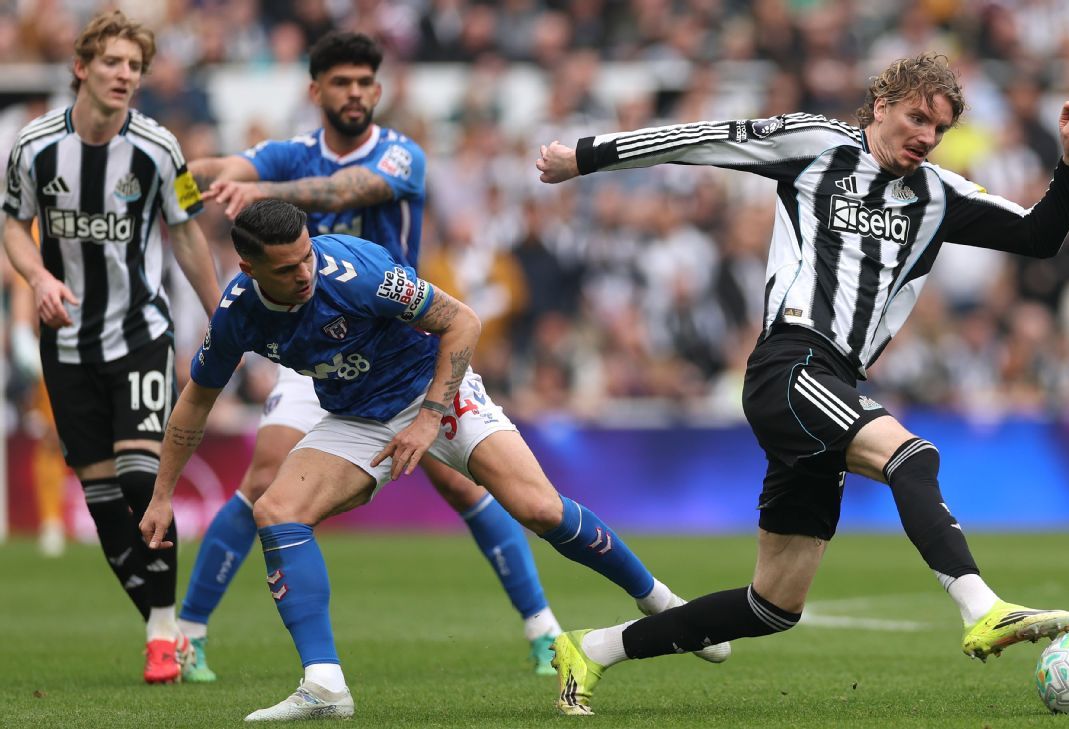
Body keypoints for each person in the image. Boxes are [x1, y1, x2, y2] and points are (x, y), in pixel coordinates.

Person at [536, 52, 1069, 714]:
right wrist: (584, 156)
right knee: (911, 456)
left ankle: (592, 648)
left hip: (835, 381)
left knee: (773, 605)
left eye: (939, 128)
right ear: (881, 106)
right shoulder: (818, 145)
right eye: (916, 118)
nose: (926, 136)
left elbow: (1039, 236)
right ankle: (981, 607)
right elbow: (701, 139)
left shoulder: (938, 195)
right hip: (790, 363)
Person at [139, 199, 729, 721]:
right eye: (288, 268)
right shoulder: (238, 312)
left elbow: (463, 322)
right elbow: (196, 399)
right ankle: (324, 686)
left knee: (539, 509)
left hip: (435, 390)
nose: (305, 273)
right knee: (277, 510)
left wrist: (428, 418)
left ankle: (660, 602)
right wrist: (163, 493)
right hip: (359, 416)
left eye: (307, 257)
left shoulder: (357, 273)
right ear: (249, 269)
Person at [178, 31, 564, 680]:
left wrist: (267, 192)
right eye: (341, 82)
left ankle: (542, 627)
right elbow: (221, 169)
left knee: (461, 482)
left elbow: (347, 191)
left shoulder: (397, 155)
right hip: (309, 346)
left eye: (364, 82)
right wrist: (173, 177)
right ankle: (185, 634)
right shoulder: (291, 153)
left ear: (377, 90)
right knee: (263, 478)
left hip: (394, 343)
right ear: (317, 91)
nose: (354, 93)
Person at [2, 10, 221, 684]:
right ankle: (171, 629)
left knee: (139, 480)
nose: (126, 75)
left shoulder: (160, 148)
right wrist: (38, 277)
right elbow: (11, 224)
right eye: (113, 62)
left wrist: (224, 315)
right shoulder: (33, 146)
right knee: (102, 503)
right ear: (81, 68)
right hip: (66, 344)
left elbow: (187, 231)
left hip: (138, 335)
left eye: (135, 66)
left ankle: (162, 634)